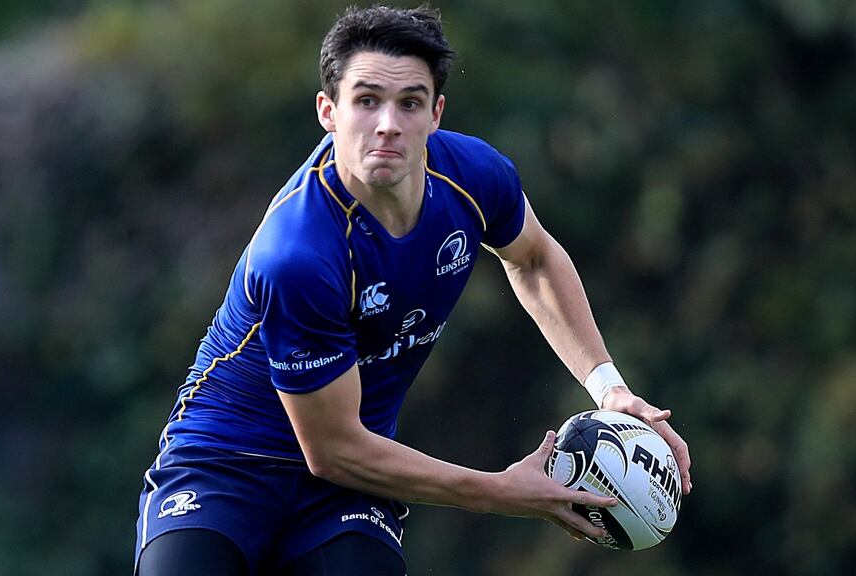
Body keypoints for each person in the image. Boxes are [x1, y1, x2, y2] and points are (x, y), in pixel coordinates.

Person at [134, 5, 691, 575]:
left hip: (346, 494)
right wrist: (499, 492)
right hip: (226, 467)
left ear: (436, 113)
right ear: (329, 111)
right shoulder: (299, 254)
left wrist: (609, 387)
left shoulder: (474, 178)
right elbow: (332, 450)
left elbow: (535, 259)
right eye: (367, 100)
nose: (387, 124)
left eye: (410, 103)